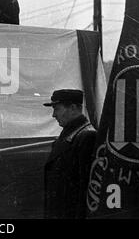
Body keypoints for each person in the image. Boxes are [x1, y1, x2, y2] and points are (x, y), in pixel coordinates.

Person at [43, 89, 96, 219]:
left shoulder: (87, 136)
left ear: (73, 108)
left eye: (57, 109)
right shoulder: (69, 135)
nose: (53, 115)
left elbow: (85, 189)